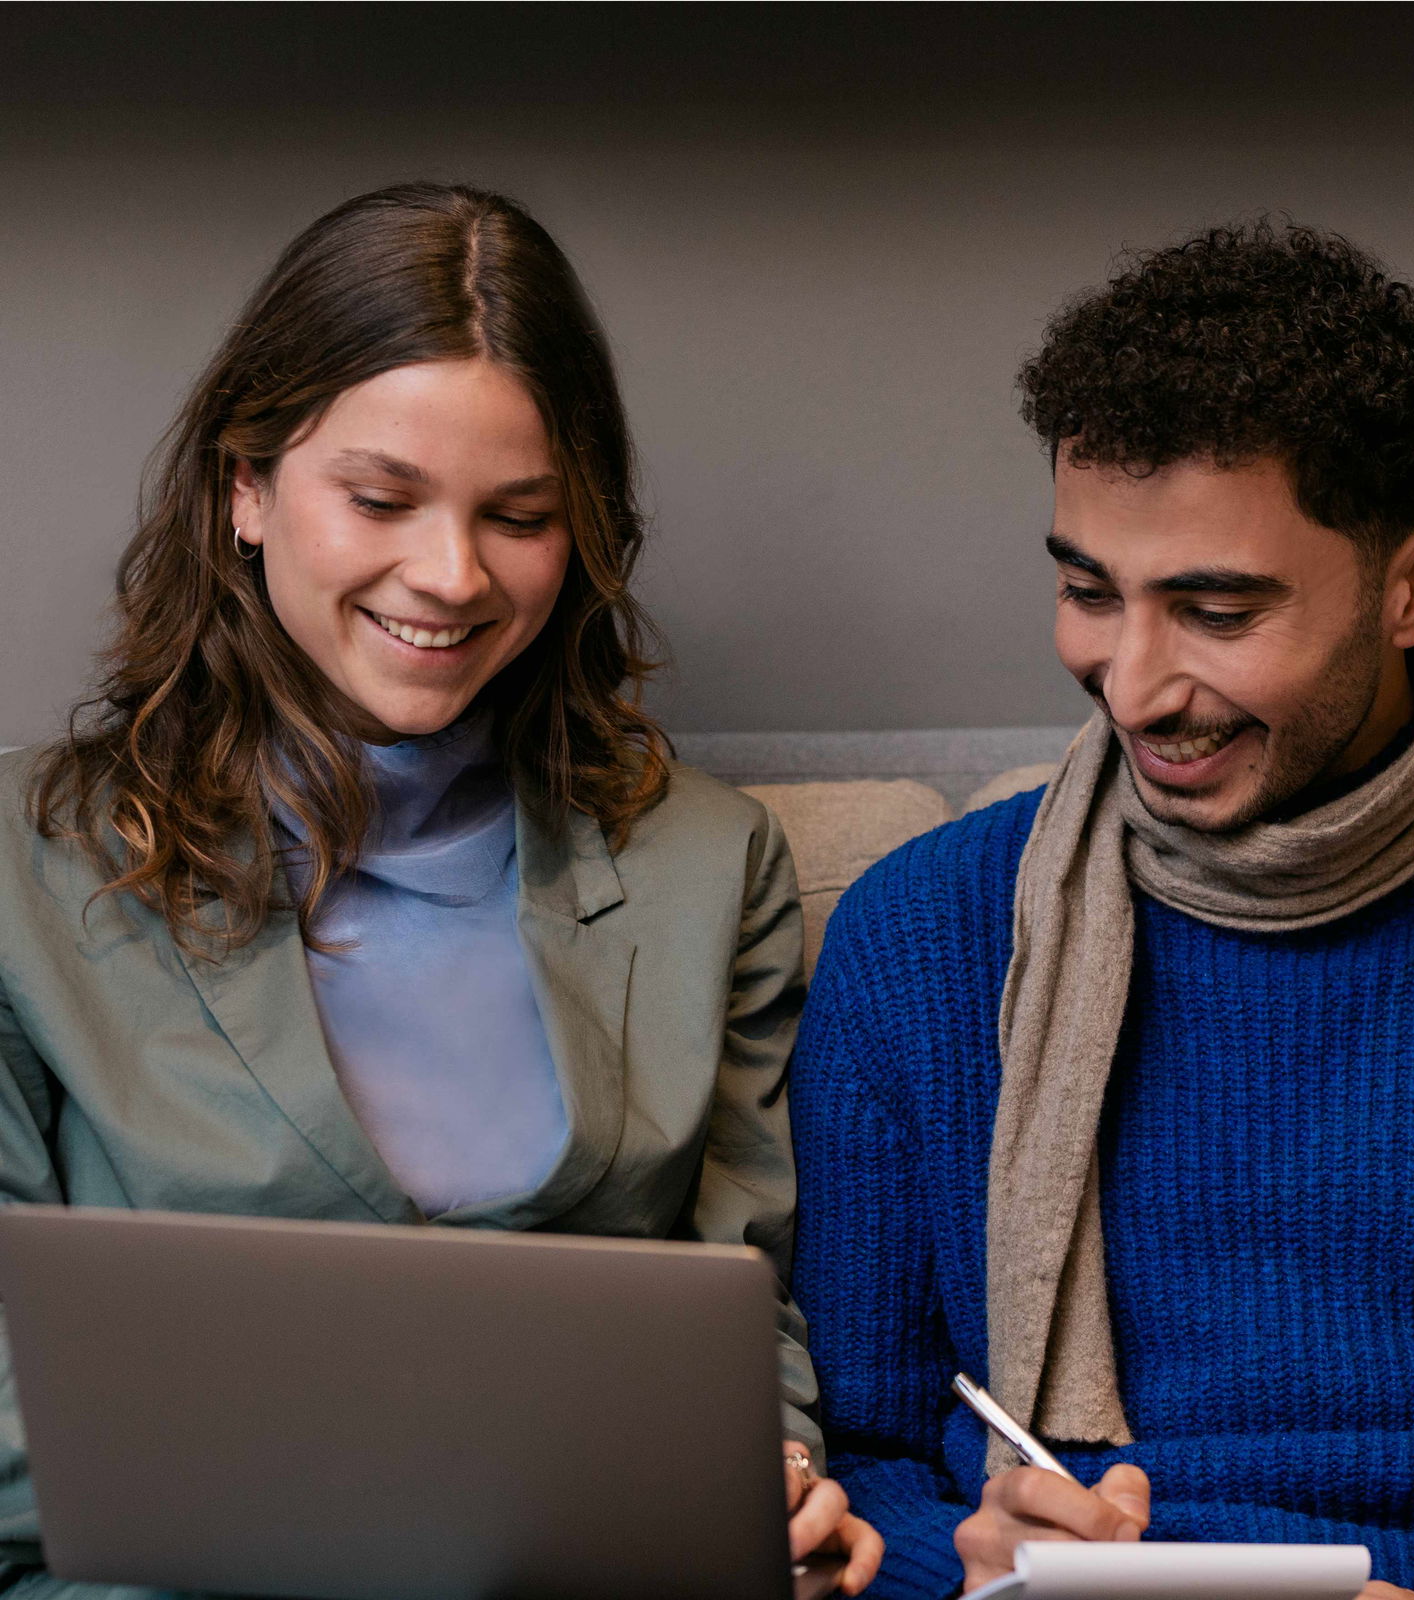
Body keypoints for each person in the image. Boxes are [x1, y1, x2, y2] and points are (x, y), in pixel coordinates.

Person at [0, 182, 880, 1596]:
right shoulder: (21, 863)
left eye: (520, 515)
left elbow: (740, 1316)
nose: (453, 575)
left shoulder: (711, 866)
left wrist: (767, 1493)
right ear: (245, 486)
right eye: (381, 499)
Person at [789, 220, 1414, 1600]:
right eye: (1088, 591)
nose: (1133, 685)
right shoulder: (923, 937)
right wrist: (979, 1571)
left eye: (1217, 610)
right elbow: (863, 1456)